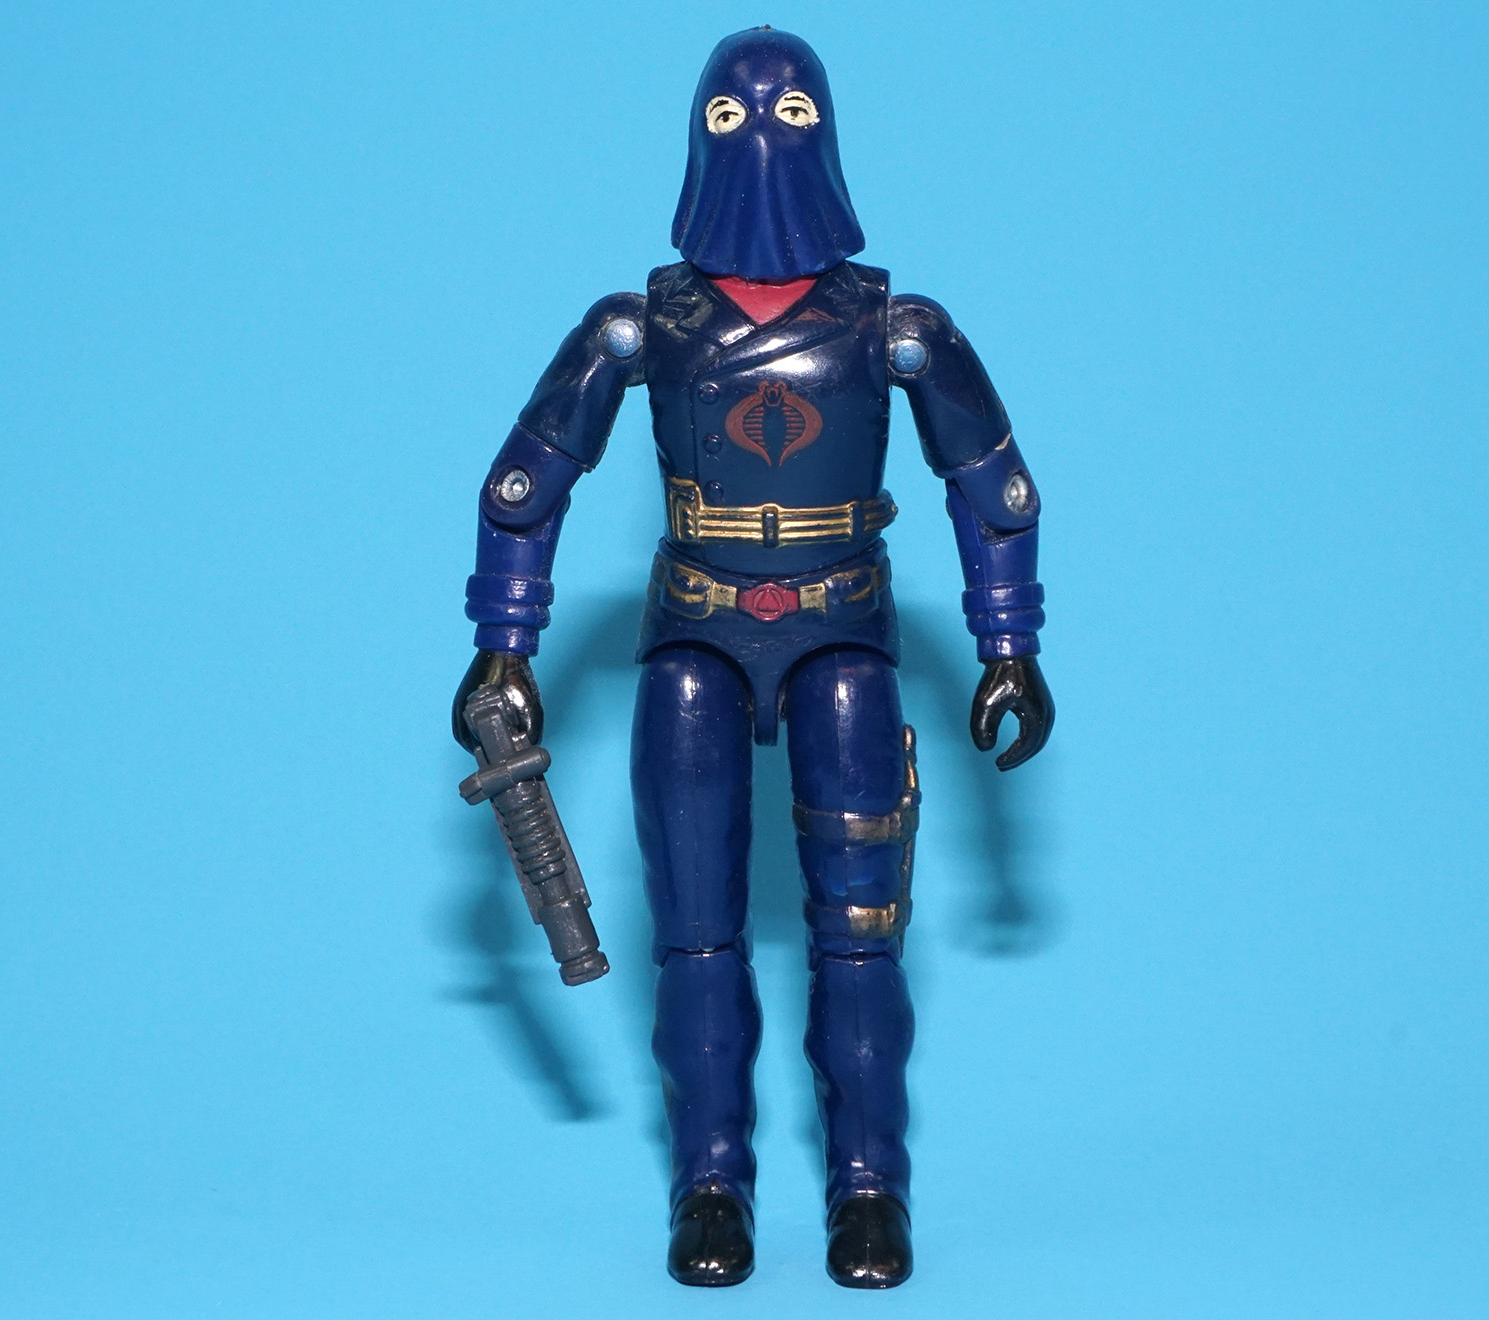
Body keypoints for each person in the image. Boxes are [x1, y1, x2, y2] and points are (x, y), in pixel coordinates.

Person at [452, 26, 1053, 1289]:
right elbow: (524, 486)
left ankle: (869, 1187)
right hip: (696, 635)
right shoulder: (641, 328)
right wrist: (503, 647)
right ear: (696, 140)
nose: (762, 141)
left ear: (826, 136)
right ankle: (710, 1185)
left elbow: (992, 488)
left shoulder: (893, 327)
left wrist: (1008, 641)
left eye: (788, 117)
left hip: (841, 632)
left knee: (861, 936)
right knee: (695, 937)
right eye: (732, 120)